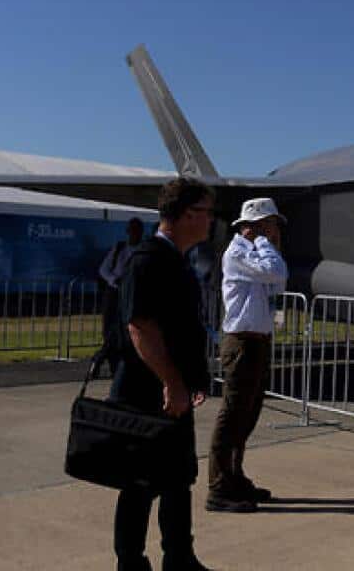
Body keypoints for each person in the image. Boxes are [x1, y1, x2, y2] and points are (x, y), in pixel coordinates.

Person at [111, 178, 215, 571]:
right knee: (139, 483)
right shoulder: (148, 259)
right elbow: (141, 327)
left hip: (174, 392)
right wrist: (172, 382)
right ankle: (130, 563)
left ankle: (179, 557)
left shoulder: (176, 260)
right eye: (206, 212)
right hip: (145, 391)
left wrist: (192, 381)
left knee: (177, 477)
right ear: (187, 214)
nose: (210, 222)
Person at [206, 198, 288, 513]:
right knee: (232, 416)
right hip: (241, 342)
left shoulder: (253, 251)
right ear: (252, 226)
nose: (276, 231)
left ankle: (234, 476)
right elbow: (275, 270)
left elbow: (279, 278)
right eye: (270, 224)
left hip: (257, 341)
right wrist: (264, 242)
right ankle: (219, 487)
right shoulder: (238, 252)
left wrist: (264, 243)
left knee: (247, 416)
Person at [97, 217, 145, 376]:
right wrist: (114, 280)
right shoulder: (119, 248)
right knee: (110, 330)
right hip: (114, 293)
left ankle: (123, 365)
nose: (134, 234)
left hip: (132, 293)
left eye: (137, 230)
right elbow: (104, 269)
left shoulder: (144, 251)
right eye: (132, 230)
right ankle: (108, 362)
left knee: (127, 331)